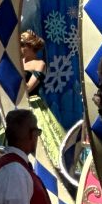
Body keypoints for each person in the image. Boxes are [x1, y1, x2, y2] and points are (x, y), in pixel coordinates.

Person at [20, 30, 64, 167]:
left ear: (31, 46)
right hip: (17, 106)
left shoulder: (40, 64)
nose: (19, 47)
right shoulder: (18, 62)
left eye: (22, 44)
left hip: (33, 105)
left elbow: (28, 88)